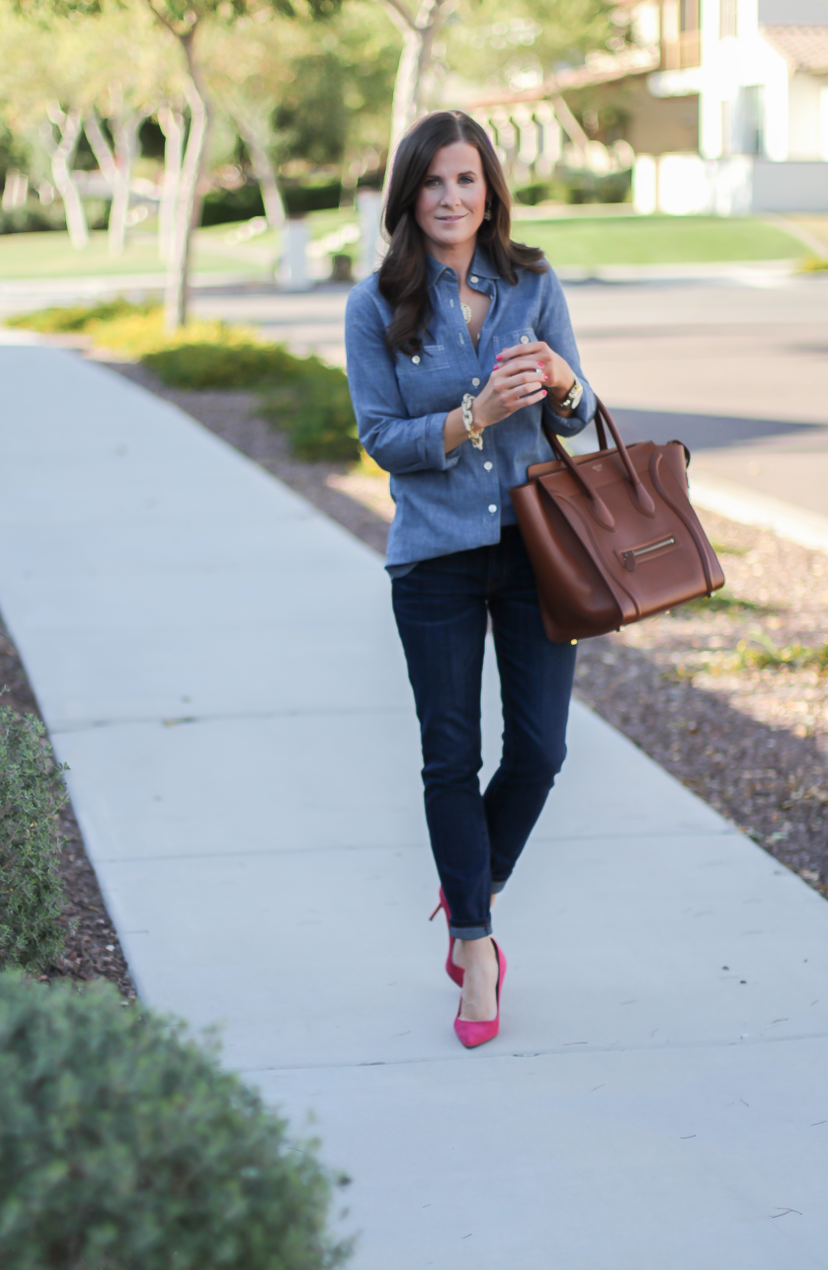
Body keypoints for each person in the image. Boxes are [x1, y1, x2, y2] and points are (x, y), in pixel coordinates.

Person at [344, 110, 595, 1048]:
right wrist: (472, 415)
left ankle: (469, 884)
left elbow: (583, 413)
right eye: (433, 182)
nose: (451, 198)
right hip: (436, 562)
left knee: (540, 750)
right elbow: (381, 441)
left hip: (540, 555)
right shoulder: (375, 305)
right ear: (409, 195)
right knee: (450, 757)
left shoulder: (533, 284)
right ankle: (476, 948)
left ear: (489, 189)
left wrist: (566, 383)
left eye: (466, 180)